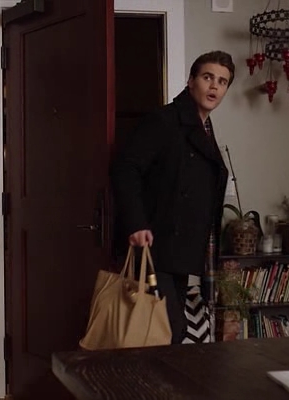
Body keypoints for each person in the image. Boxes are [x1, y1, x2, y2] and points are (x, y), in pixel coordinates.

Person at [110, 50, 234, 344]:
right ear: (191, 81)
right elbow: (125, 168)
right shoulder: (164, 120)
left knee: (166, 332)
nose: (214, 87)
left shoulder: (203, 128)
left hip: (182, 251)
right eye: (207, 77)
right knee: (168, 330)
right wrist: (137, 223)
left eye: (222, 82)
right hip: (155, 243)